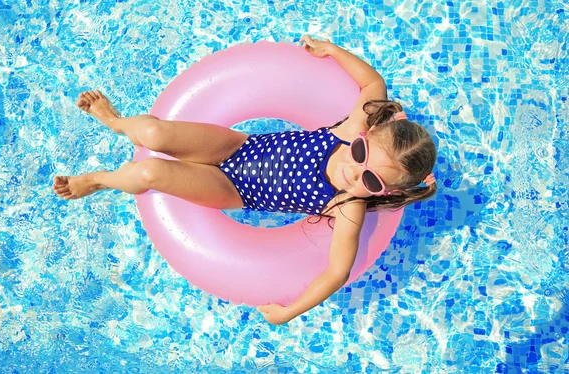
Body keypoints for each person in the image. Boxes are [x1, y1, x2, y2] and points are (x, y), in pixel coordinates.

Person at [52, 36, 437, 325]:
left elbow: (337, 271)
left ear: (386, 192)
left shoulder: (347, 206)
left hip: (233, 191)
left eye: (370, 180)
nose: (355, 173)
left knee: (150, 172)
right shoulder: (352, 126)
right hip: (237, 147)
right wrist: (332, 50)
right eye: (360, 155)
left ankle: (101, 180)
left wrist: (290, 312)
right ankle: (117, 123)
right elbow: (373, 85)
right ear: (364, 136)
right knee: (151, 136)